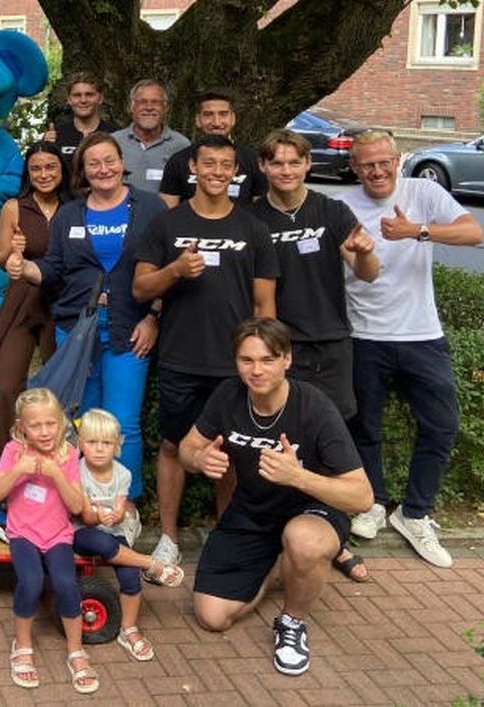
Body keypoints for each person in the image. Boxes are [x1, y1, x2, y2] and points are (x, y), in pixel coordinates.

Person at [180, 318, 373, 676]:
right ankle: (277, 565)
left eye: (268, 359)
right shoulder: (228, 396)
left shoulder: (314, 407)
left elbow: (362, 497)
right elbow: (187, 447)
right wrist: (198, 459)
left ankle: (292, 622)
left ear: (287, 359)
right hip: (253, 510)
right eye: (246, 360)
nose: (256, 370)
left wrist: (298, 476)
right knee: (211, 617)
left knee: (304, 541)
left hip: (313, 510)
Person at [132, 134, 279, 566]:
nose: (217, 172)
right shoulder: (168, 224)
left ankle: (226, 535)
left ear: (236, 171)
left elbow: (265, 306)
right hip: (181, 356)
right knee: (174, 446)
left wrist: (265, 363)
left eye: (226, 165)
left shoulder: (252, 228)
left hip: (236, 366)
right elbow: (141, 288)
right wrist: (175, 270)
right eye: (209, 163)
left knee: (231, 451)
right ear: (193, 167)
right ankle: (170, 538)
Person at [339, 130, 483, 568]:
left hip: (422, 333)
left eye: (384, 162)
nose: (377, 171)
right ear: (354, 167)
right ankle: (373, 504)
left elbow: (473, 232)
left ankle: (415, 513)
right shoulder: (340, 205)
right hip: (363, 335)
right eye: (367, 164)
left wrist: (415, 230)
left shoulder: (423, 190)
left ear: (398, 159)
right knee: (365, 428)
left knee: (442, 425)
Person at [249, 128, 380, 581]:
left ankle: (333, 540)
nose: (285, 170)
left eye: (294, 162)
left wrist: (365, 254)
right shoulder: (252, 218)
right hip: (282, 349)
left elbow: (367, 272)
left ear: (308, 165)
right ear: (263, 167)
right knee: (283, 442)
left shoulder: (332, 211)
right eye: (276, 163)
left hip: (331, 343)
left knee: (331, 442)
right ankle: (285, 535)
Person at [10, 132, 165, 496]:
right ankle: (81, 499)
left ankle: (123, 503)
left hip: (131, 329)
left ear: (121, 163)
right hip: (77, 329)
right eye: (93, 163)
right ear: (82, 170)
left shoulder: (150, 207)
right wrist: (24, 268)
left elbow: (165, 269)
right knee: (81, 419)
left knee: (122, 424)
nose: (103, 169)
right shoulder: (70, 214)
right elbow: (53, 268)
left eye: (109, 160)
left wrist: (153, 317)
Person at [0, 388, 95, 694]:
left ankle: (76, 651)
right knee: (32, 581)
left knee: (66, 584)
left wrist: (57, 475)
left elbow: (76, 507)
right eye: (36, 425)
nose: (45, 431)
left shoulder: (69, 454)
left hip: (58, 534)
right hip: (23, 533)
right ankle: (22, 645)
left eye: (51, 423)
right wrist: (20, 469)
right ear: (22, 426)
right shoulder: (13, 451)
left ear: (60, 423)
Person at [73, 408, 185, 665]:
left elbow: (122, 509)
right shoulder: (77, 472)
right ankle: (152, 564)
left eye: (106, 443)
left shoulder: (122, 474)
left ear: (117, 445)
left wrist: (117, 515)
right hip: (82, 532)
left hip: (113, 532)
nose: (99, 449)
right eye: (92, 442)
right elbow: (85, 516)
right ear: (80, 444)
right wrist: (99, 517)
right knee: (101, 540)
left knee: (129, 576)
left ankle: (129, 628)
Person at [0, 141, 68, 456]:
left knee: (58, 385)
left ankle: (57, 455)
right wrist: (13, 253)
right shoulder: (14, 207)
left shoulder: (74, 207)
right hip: (22, 300)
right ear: (28, 173)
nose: (43, 174)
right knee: (6, 386)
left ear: (62, 169)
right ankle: (0, 456)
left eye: (50, 167)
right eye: (36, 168)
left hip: (61, 301)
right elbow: (1, 259)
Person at [158, 89, 266, 208]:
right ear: (198, 120)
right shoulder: (178, 161)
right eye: (208, 115)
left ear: (233, 119)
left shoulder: (253, 159)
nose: (216, 122)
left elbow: (262, 213)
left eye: (223, 114)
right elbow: (168, 213)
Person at [111, 79, 189, 193]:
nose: (149, 107)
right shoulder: (113, 142)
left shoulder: (181, 145)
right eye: (142, 102)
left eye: (155, 102)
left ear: (165, 108)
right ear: (132, 107)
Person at [43, 72, 118, 163]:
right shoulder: (56, 136)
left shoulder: (115, 134)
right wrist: (47, 148)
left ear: (100, 98)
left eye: (89, 94)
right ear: (69, 100)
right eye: (77, 95)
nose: (83, 100)